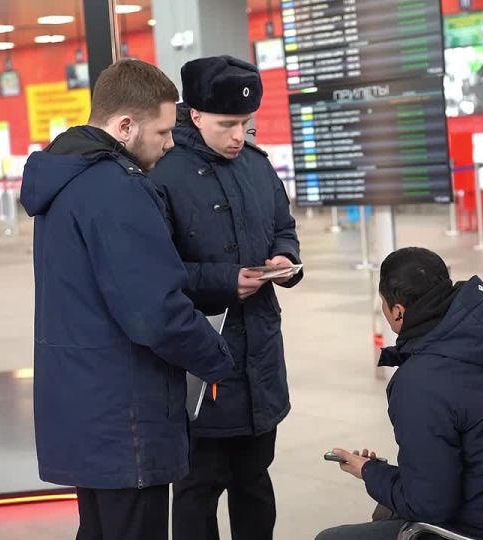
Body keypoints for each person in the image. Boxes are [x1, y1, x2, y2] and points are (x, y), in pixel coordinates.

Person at [19, 60, 235, 540]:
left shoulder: (65, 180)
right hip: (127, 413)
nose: (170, 142)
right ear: (124, 126)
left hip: (85, 406)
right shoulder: (118, 189)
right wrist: (217, 357)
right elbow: (154, 312)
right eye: (162, 131)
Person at [149, 55, 302, 540]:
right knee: (198, 490)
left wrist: (284, 257)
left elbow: (284, 227)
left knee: (254, 482)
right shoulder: (162, 174)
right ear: (194, 114)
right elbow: (153, 272)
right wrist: (223, 281)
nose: (238, 135)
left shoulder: (257, 166)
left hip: (260, 354)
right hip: (200, 358)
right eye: (227, 125)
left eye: (245, 123)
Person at [316, 248, 483, 540]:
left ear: (398, 311)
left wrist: (368, 472)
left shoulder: (418, 383)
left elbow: (430, 505)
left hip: (478, 528)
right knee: (386, 509)